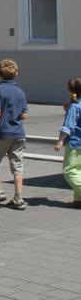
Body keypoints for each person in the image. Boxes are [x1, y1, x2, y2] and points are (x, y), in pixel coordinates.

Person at [0, 59, 28, 209]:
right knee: (17, 165)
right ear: (16, 73)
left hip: (3, 133)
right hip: (18, 134)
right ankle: (18, 198)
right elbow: (23, 115)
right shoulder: (21, 92)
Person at [53, 77, 81, 207]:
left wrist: (60, 141)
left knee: (69, 170)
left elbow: (68, 126)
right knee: (79, 170)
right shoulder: (74, 106)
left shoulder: (74, 106)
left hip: (75, 144)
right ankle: (78, 199)